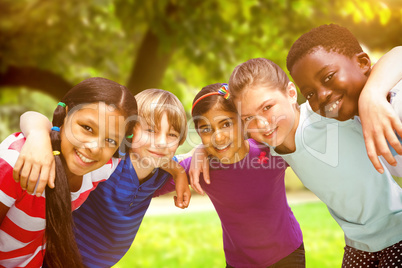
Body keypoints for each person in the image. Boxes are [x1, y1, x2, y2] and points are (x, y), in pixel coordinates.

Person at [191, 57, 402, 267]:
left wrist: (372, 93)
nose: (262, 124)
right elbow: (230, 143)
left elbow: (397, 56)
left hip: (397, 231)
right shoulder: (269, 143)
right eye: (248, 118)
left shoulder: (326, 114)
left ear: (291, 93)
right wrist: (201, 149)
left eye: (267, 107)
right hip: (359, 245)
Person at [16, 88, 191, 268]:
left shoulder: (160, 173)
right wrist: (37, 135)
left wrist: (178, 171)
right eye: (151, 130)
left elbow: (196, 157)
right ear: (128, 130)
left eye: (172, 135)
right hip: (55, 259)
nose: (162, 142)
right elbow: (31, 117)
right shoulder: (108, 159)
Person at [160, 83, 304, 267]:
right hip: (239, 262)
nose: (218, 137)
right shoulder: (199, 167)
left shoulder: (269, 150)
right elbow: (147, 180)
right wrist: (180, 167)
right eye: (206, 129)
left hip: (288, 254)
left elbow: (299, 132)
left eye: (226, 124)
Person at [0, 77, 138, 268]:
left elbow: (154, 151)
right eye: (87, 128)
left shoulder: (103, 168)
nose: (95, 148)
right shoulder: (19, 163)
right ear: (65, 114)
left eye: (111, 141)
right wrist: (37, 133)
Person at [286, 24, 402, 175]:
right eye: (309, 94)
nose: (321, 96)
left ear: (362, 63)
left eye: (328, 77)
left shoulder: (397, 102)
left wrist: (372, 94)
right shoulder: (345, 124)